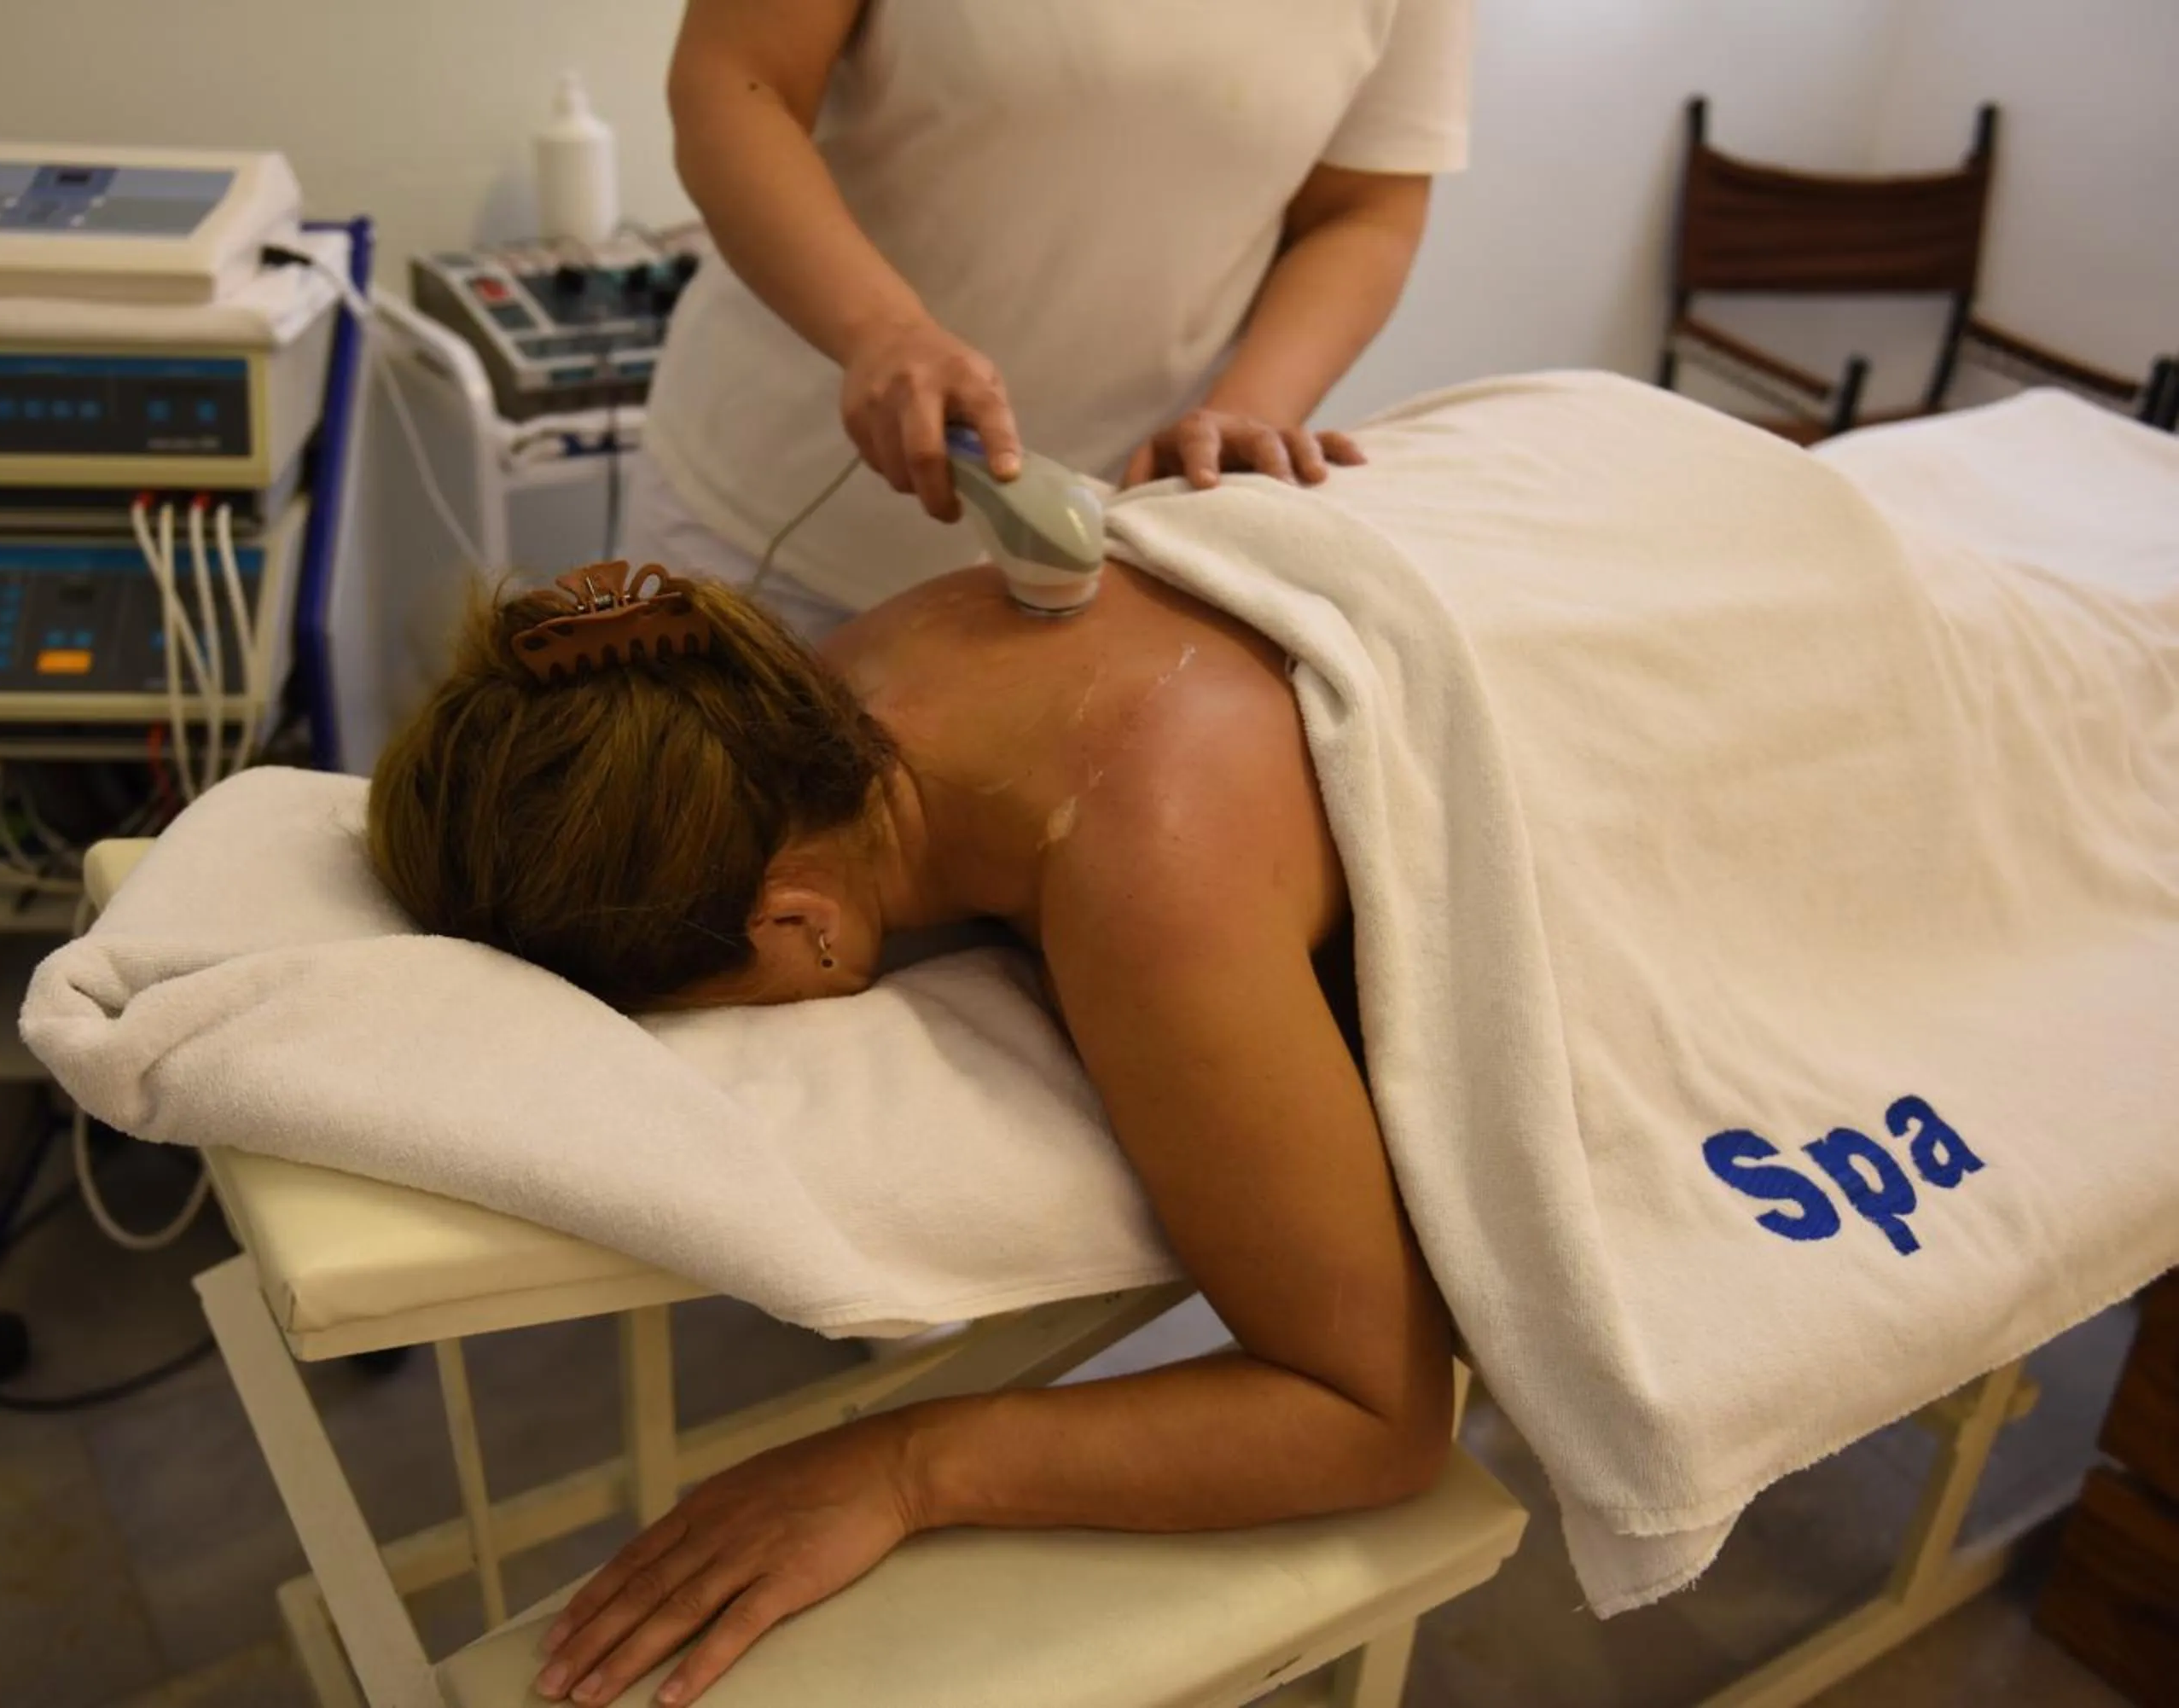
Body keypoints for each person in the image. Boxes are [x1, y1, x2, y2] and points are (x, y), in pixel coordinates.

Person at [371, 540, 1450, 1707]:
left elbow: (1374, 1416)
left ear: (799, 922)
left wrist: (905, 1469)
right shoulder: (848, 670)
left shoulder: (1147, 875)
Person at [625, 0, 1473, 638]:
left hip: (1104, 568)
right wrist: (880, 330)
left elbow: (1364, 208)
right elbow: (735, 82)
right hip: (768, 536)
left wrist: (1249, 409)